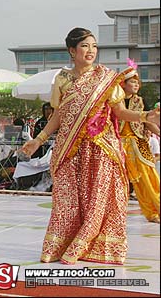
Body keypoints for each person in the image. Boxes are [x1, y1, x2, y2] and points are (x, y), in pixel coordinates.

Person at [21, 28, 161, 265]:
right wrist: (38, 139)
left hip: (101, 148)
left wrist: (146, 116)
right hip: (70, 147)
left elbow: (120, 112)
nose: (91, 51)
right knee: (67, 199)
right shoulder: (63, 80)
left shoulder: (107, 78)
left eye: (94, 46)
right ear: (72, 51)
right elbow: (58, 115)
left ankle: (93, 246)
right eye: (85, 46)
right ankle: (62, 243)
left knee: (100, 199)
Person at [119, 67, 160, 223]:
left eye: (137, 83)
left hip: (138, 143)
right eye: (133, 82)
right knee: (116, 180)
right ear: (124, 84)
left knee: (149, 177)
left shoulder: (140, 101)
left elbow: (148, 121)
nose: (136, 85)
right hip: (118, 144)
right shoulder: (115, 102)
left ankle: (155, 211)